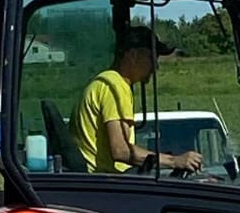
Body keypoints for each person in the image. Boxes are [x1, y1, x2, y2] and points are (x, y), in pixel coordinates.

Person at [69, 25, 203, 175]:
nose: (156, 66)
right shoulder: (114, 86)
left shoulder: (104, 83)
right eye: (151, 58)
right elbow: (121, 151)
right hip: (105, 181)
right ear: (133, 55)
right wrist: (174, 161)